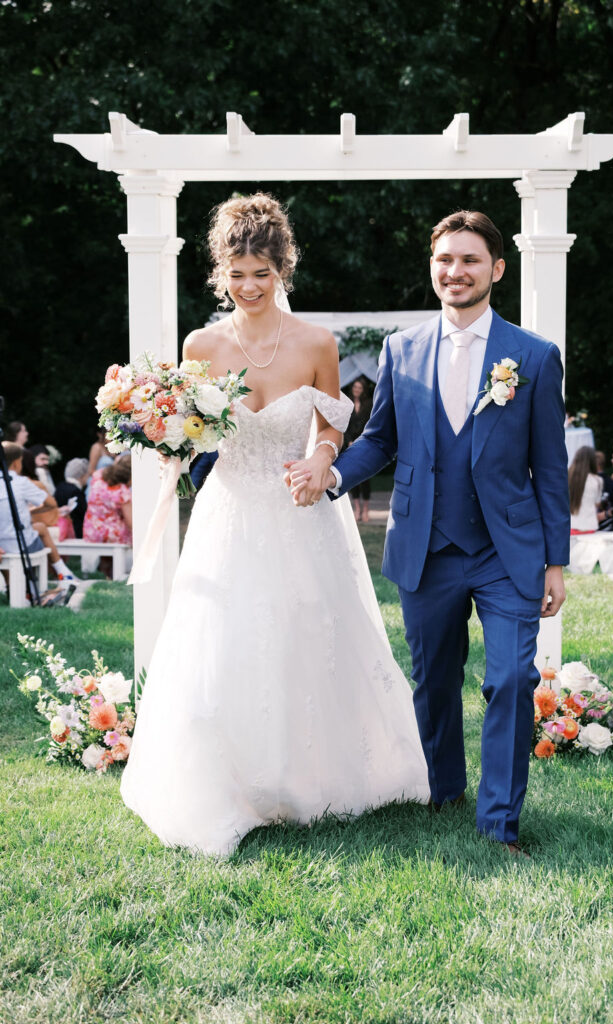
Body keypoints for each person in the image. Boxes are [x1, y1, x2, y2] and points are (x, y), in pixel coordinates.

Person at [120, 193, 429, 855]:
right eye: (237, 271)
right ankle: (226, 781)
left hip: (298, 516)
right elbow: (195, 434)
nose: (249, 285)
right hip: (228, 513)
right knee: (222, 641)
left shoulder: (318, 342)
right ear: (219, 272)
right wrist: (164, 429)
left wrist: (319, 460)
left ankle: (312, 776)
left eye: (261, 271)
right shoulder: (200, 343)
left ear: (282, 270)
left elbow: (332, 422)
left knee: (303, 634)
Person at [289, 209, 570, 857]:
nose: (455, 271)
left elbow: (549, 467)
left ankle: (498, 823)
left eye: (469, 259)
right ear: (432, 267)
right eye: (444, 259)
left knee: (510, 680)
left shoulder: (532, 357)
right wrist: (328, 474)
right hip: (424, 547)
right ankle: (444, 791)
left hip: (508, 553)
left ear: (495, 269)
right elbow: (379, 439)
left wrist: (554, 561)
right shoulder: (402, 350)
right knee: (434, 680)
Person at [0, 442, 79, 589]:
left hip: (1, 546)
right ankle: (62, 572)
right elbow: (51, 504)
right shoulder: (22, 482)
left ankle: (11, 586)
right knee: (40, 528)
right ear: (17, 463)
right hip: (21, 545)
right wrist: (28, 511)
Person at [83, 456, 132, 575]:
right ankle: (121, 571)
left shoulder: (98, 477)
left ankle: (105, 570)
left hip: (91, 531)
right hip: (112, 535)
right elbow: (131, 522)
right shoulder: (122, 491)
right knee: (133, 533)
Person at [343, 378, 373, 522]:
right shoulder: (347, 403)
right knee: (353, 477)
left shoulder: (369, 404)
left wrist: (361, 441)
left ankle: (366, 509)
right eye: (355, 387)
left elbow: (370, 424)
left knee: (365, 478)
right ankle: (357, 509)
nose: (357, 389)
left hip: (364, 443)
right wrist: (349, 441)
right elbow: (345, 425)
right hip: (350, 444)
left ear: (363, 390)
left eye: (360, 387)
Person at [568, 446, 604, 534]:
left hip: (570, 524)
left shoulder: (568, 478)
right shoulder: (598, 480)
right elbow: (597, 503)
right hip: (589, 525)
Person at [54, 458, 89, 539]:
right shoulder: (76, 492)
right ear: (82, 475)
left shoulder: (60, 487)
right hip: (74, 533)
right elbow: (83, 514)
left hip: (61, 529)